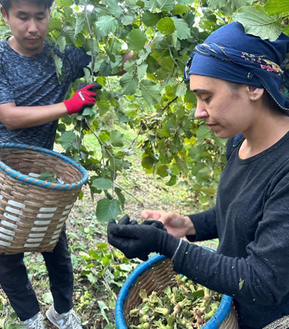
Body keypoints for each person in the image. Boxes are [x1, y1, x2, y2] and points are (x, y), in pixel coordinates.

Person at [107, 22, 289, 329]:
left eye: (206, 97)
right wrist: (188, 227)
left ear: (254, 87)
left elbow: (264, 281)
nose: (197, 112)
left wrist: (168, 246)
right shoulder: (240, 141)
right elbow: (241, 213)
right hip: (229, 309)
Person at [0, 0, 102, 329]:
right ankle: (30, 318)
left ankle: (61, 312)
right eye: (22, 17)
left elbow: (109, 65)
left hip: (42, 171)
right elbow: (9, 116)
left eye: (40, 16)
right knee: (5, 251)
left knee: (55, 247)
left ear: (51, 13)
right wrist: (70, 104)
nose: (33, 27)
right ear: (4, 14)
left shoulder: (61, 57)